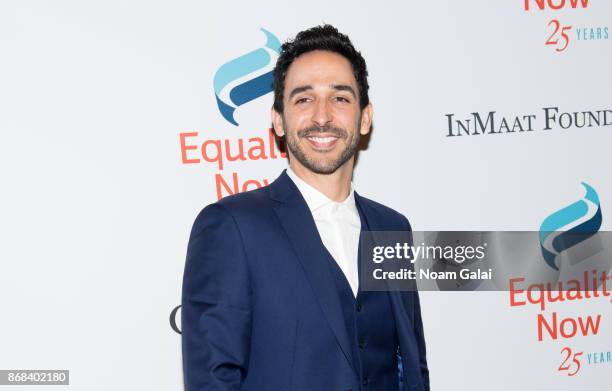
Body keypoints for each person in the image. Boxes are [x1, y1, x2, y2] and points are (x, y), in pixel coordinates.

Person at [182, 24, 429, 391]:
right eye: (303, 99)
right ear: (278, 121)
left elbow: (411, 367)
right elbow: (213, 380)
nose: (322, 116)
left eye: (340, 98)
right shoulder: (233, 227)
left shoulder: (392, 226)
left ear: (365, 117)